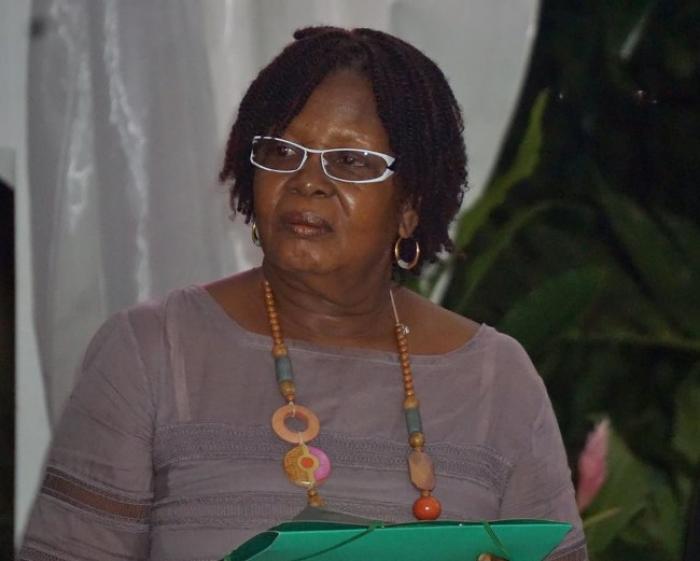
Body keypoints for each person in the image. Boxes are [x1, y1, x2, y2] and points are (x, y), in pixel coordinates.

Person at [19, 26, 587, 561]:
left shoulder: (496, 381)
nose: (308, 181)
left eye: (351, 161)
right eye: (282, 152)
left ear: (410, 206)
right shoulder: (153, 352)